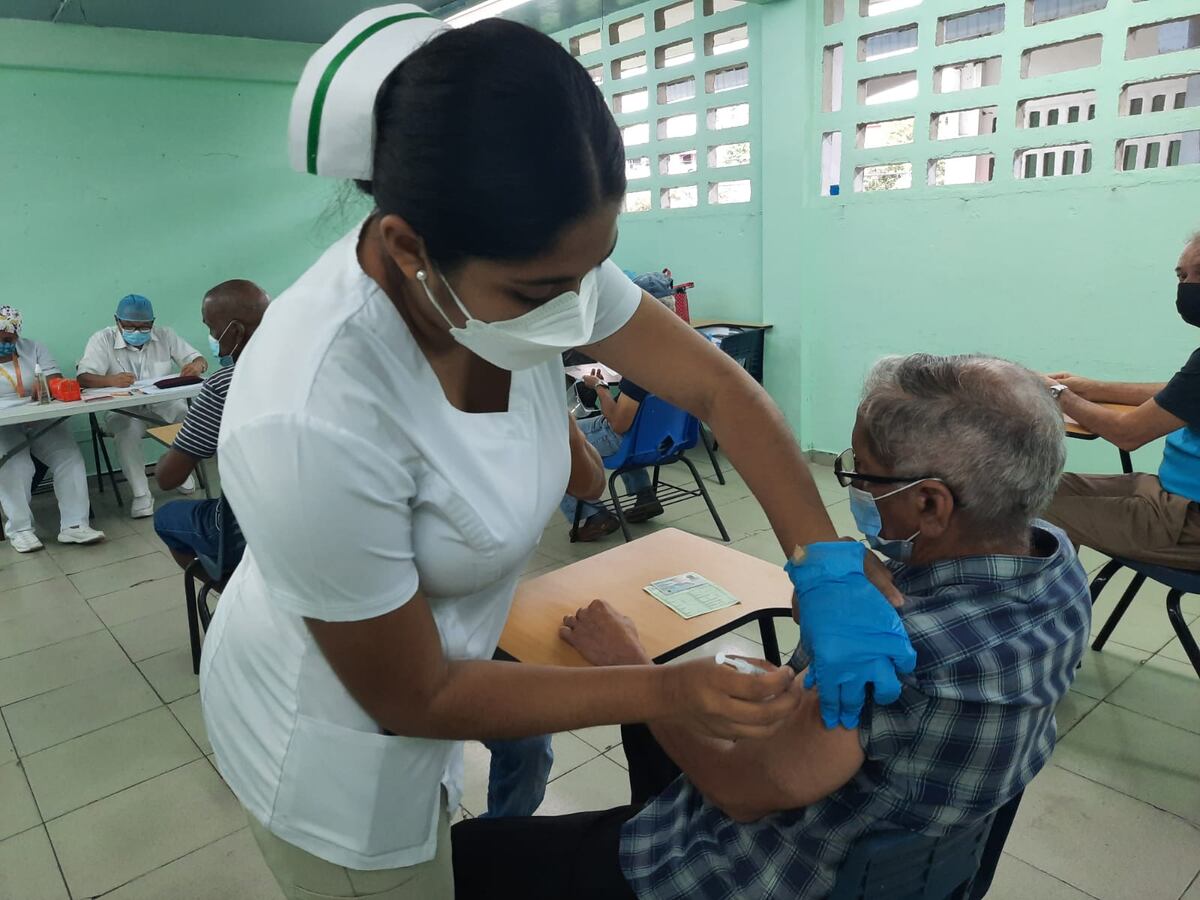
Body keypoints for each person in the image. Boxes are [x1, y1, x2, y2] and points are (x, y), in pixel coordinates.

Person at [200, 8, 913, 899]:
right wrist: (663, 691)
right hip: (335, 733)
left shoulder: (531, 270)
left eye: (598, 266)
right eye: (543, 290)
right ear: (407, 247)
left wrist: (828, 564)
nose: (580, 309)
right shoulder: (308, 417)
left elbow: (719, 389)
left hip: (444, 672)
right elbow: (412, 697)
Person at [452, 354, 1092, 900]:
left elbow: (738, 793)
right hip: (916, 857)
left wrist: (634, 667)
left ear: (930, 503)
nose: (852, 486)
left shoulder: (899, 654)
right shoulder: (1053, 562)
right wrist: (798, 675)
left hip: (753, 868)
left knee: (471, 853)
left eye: (861, 472)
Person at [1045, 231, 1200, 569]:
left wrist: (1056, 394)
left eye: (1199, 273)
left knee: (1018, 506)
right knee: (1037, 486)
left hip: (1189, 522)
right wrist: (1091, 388)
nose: (1188, 286)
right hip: (1171, 494)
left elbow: (1127, 434)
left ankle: (1050, 611)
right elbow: (1180, 393)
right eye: (1182, 276)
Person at [153, 280, 269, 571]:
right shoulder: (314, 367)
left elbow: (169, 478)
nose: (211, 336)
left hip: (253, 524)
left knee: (167, 516)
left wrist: (178, 447)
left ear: (237, 331)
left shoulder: (224, 385)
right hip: (319, 512)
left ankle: (233, 590)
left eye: (211, 329)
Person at [77, 294, 207, 519]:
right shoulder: (102, 339)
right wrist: (110, 380)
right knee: (126, 431)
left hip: (162, 404)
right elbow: (83, 378)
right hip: (124, 409)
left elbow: (199, 360)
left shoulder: (165, 335)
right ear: (117, 321)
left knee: (189, 418)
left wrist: (195, 366)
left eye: (144, 326)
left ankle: (176, 467)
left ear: (153, 323)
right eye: (130, 326)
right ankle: (141, 494)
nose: (137, 332)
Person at [0, 306, 105, 552]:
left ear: (17, 335)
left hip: (39, 416)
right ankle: (21, 530)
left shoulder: (33, 348)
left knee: (68, 456)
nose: (3, 344)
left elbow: (52, 378)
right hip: (3, 425)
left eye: (7, 339)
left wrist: (50, 387)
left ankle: (75, 526)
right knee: (16, 466)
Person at [564, 370, 662, 541]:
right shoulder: (683, 369)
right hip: (660, 440)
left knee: (555, 442)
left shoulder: (639, 372)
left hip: (622, 438)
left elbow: (618, 424)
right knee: (634, 429)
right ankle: (645, 494)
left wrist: (599, 387)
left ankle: (594, 515)